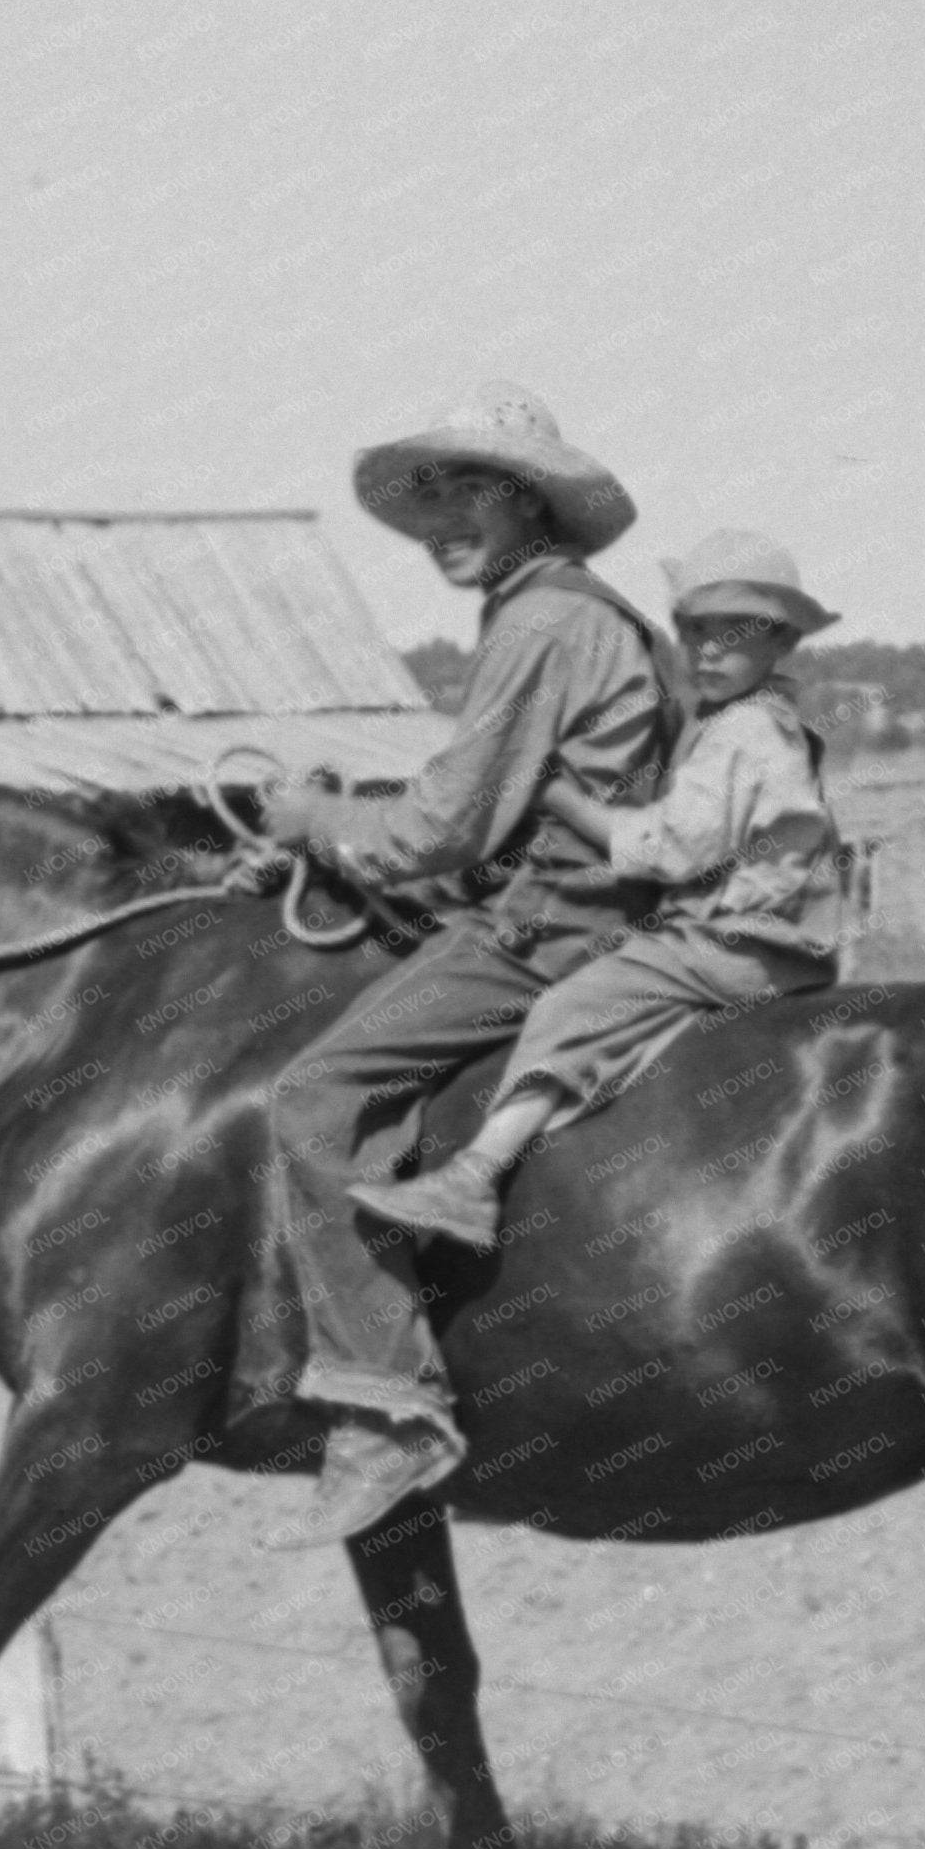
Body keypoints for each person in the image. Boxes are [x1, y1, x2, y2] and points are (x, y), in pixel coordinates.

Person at [241, 383, 690, 1545]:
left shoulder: (539, 624)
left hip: (553, 925)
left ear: (533, 503)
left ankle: (388, 1401)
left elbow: (446, 823)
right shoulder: (582, 612)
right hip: (602, 906)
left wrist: (318, 828)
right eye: (430, 498)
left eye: (471, 492)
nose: (444, 518)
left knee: (314, 1097)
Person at [349, 529, 848, 1253]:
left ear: (779, 644)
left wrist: (561, 798)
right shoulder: (762, 722)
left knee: (572, 1001)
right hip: (778, 938)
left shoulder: (742, 731)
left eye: (731, 636)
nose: (706, 651)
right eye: (695, 632)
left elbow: (675, 848)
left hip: (740, 939)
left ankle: (474, 1174)